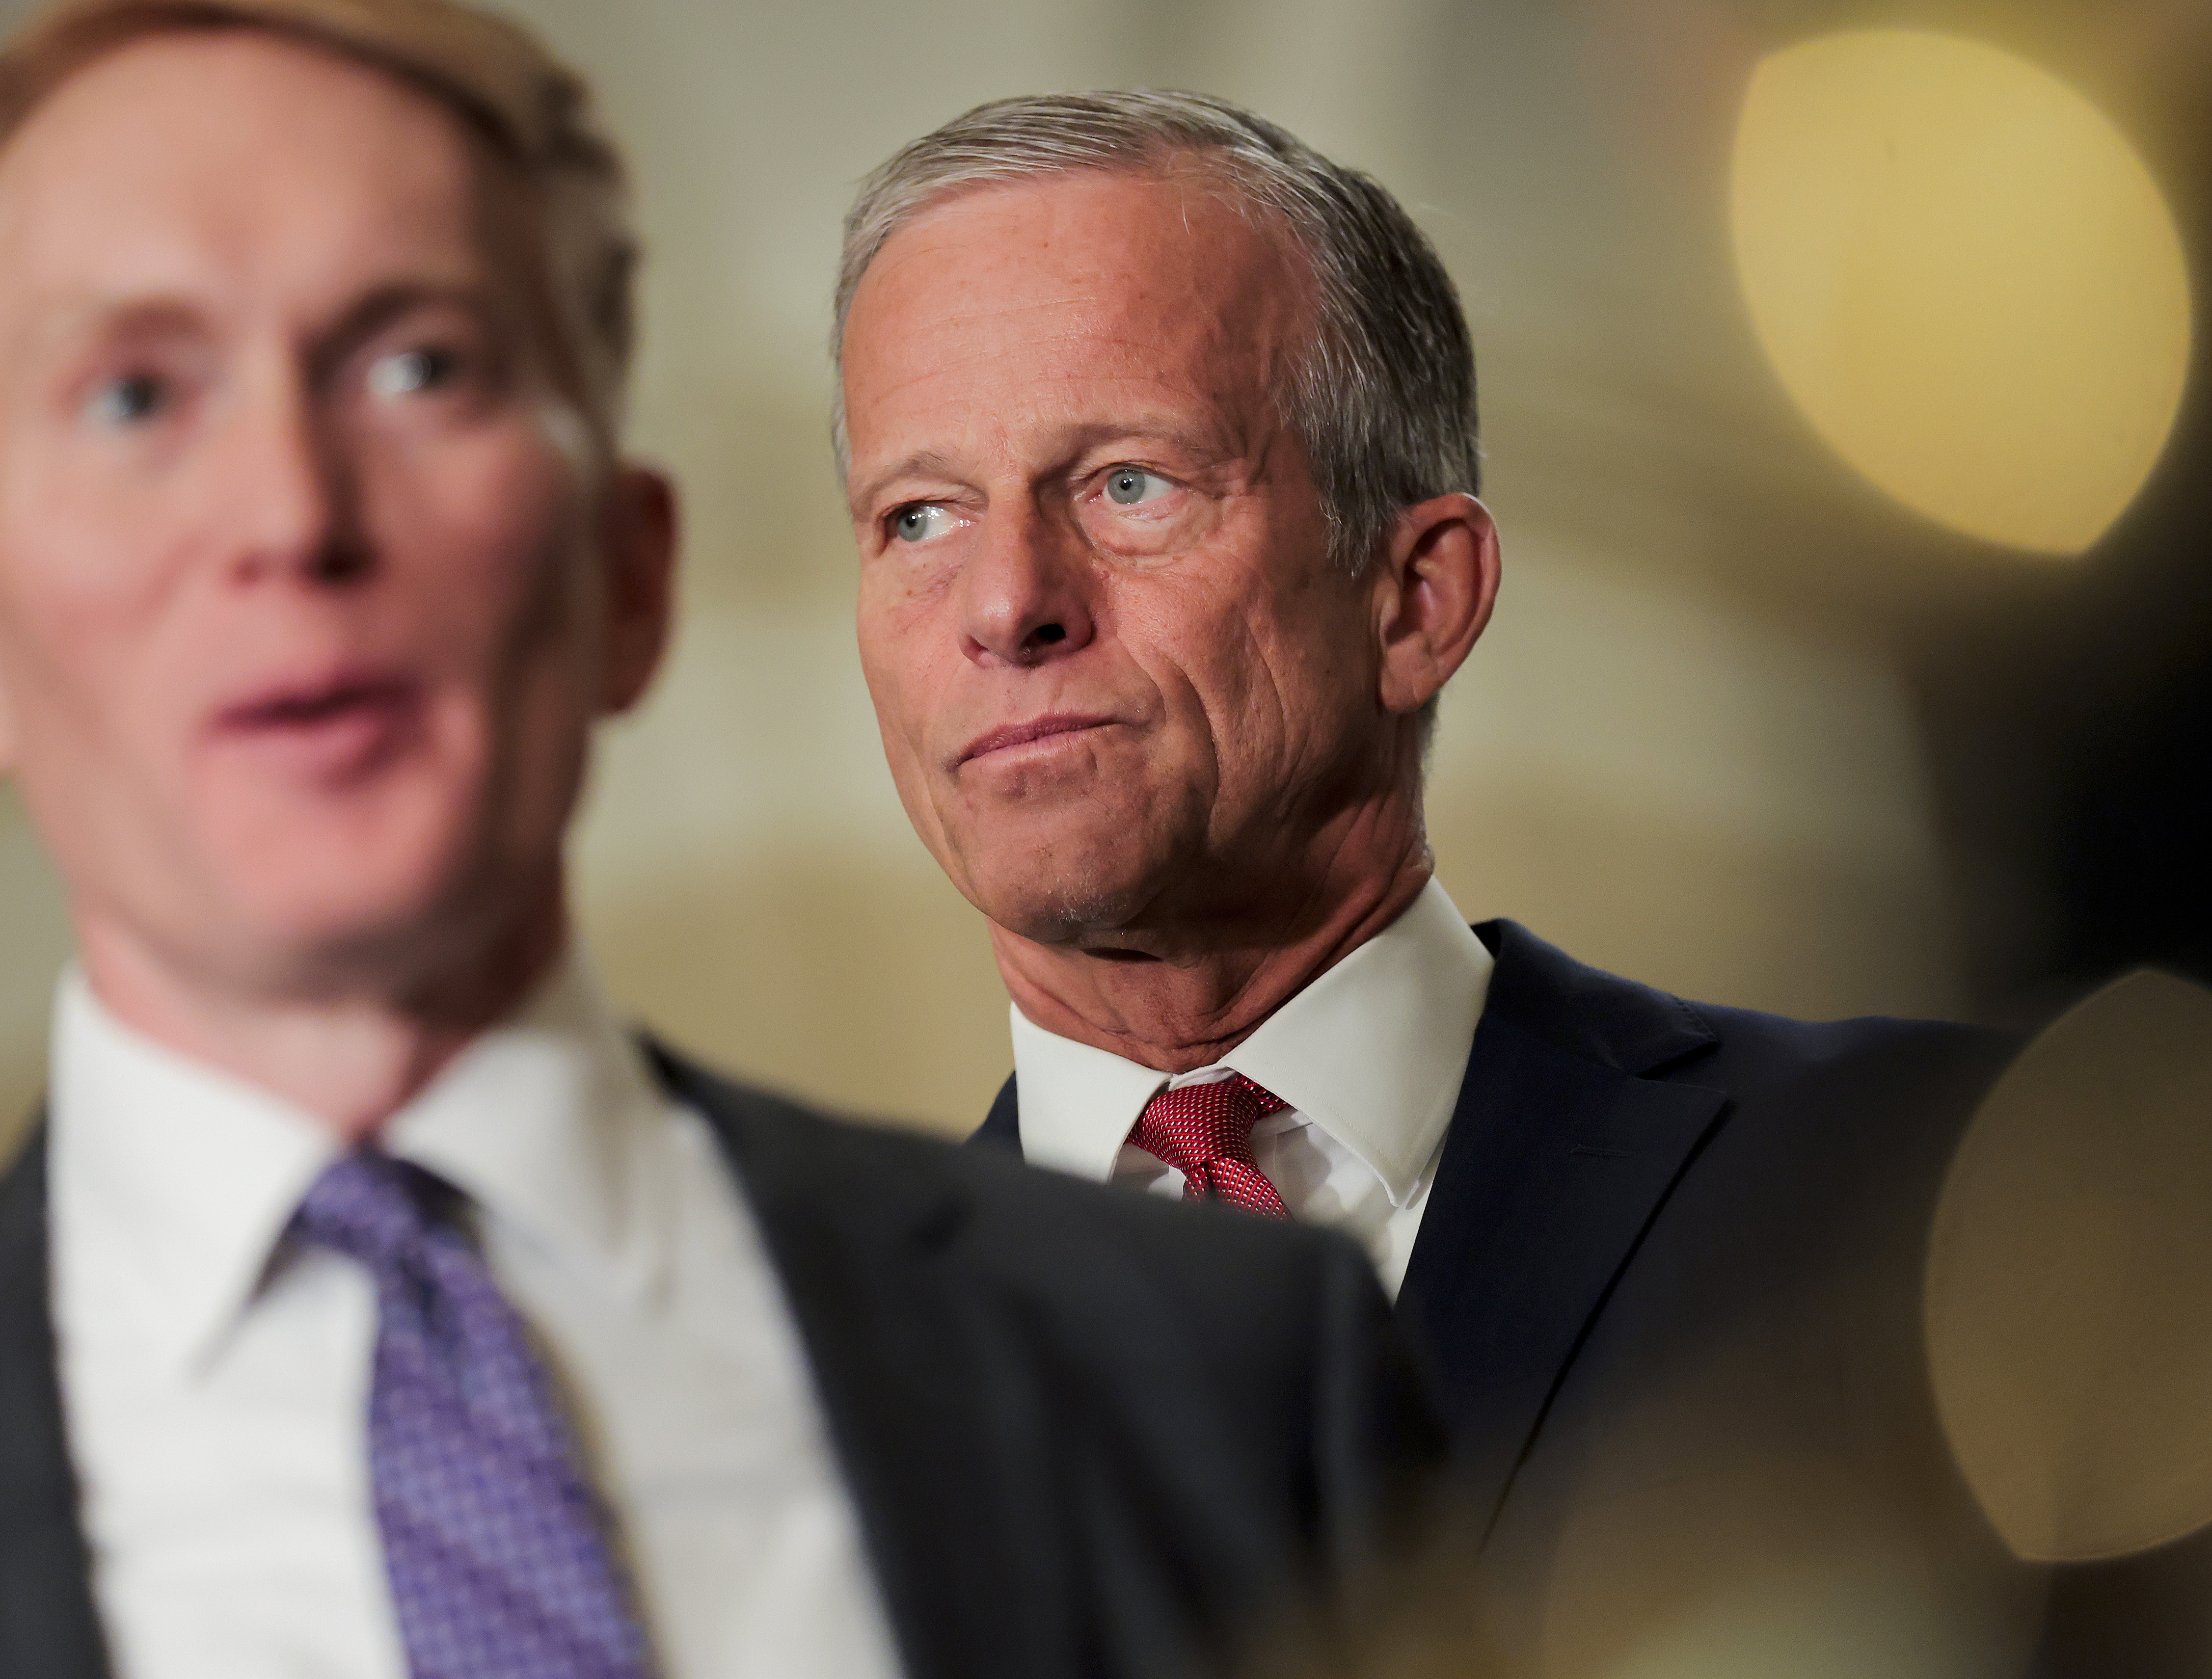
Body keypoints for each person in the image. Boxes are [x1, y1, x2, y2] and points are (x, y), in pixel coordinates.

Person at [0, 13, 1440, 1676]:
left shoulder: (1217, 1373)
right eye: (136, 394)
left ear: (626, 576)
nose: (292, 514)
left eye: (417, 367)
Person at [835, 89, 2024, 1637]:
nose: (1007, 602)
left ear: (1414, 600)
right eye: (918, 514)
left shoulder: (1930, 1186)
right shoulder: (769, 1403)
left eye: (1129, 483)